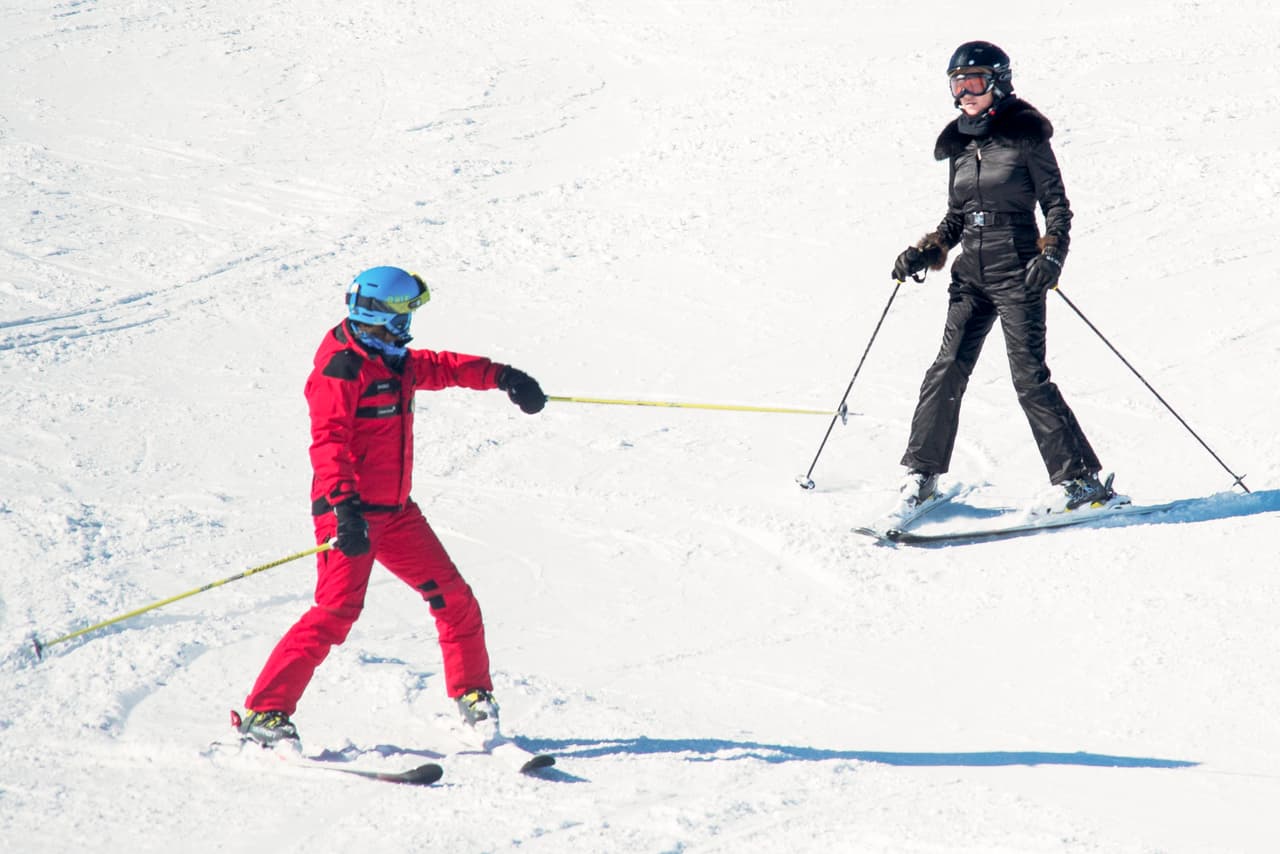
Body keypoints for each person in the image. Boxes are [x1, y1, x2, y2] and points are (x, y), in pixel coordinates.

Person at [235, 265, 547, 747]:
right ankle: (265, 711)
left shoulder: (392, 359)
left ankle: (473, 694)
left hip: (396, 512)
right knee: (336, 612)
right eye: (402, 316)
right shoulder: (343, 369)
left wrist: (504, 377)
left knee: (454, 599)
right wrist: (345, 510)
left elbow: (443, 366)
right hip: (349, 512)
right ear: (377, 314)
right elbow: (328, 443)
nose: (407, 326)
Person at [890, 40, 1112, 514]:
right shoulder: (960, 144)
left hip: (1018, 270)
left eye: (973, 83)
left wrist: (1052, 256)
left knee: (1029, 376)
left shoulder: (1025, 137)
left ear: (999, 83)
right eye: (957, 85)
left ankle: (1081, 481)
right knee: (947, 368)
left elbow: (1056, 206)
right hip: (971, 272)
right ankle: (922, 475)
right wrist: (926, 251)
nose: (964, 94)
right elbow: (958, 216)